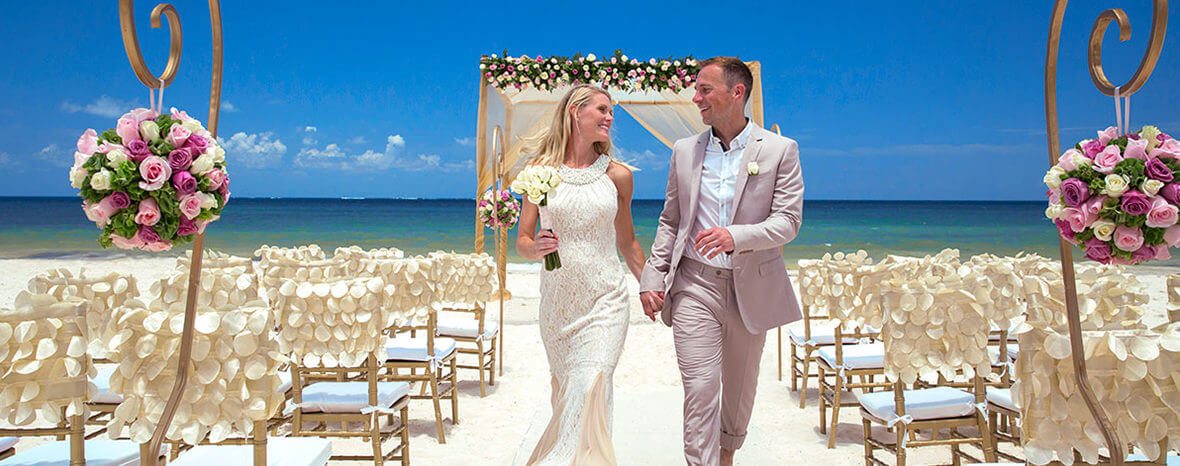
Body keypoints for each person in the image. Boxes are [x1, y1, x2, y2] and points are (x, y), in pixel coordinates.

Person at [639, 57, 804, 466]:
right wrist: (652, 276)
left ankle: (725, 456)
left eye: (705, 90)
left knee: (739, 391)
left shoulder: (781, 150)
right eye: (696, 90)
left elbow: (788, 222)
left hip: (753, 289)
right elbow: (671, 220)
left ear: (737, 93)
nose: (696, 98)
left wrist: (736, 237)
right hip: (695, 284)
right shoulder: (684, 152)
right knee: (700, 387)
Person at [516, 84, 647, 465]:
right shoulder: (538, 173)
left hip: (606, 301)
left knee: (592, 383)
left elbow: (628, 243)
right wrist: (535, 246)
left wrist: (652, 287)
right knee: (568, 395)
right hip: (558, 307)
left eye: (611, 112)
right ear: (576, 111)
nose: (610, 118)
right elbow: (523, 240)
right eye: (602, 110)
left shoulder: (618, 176)